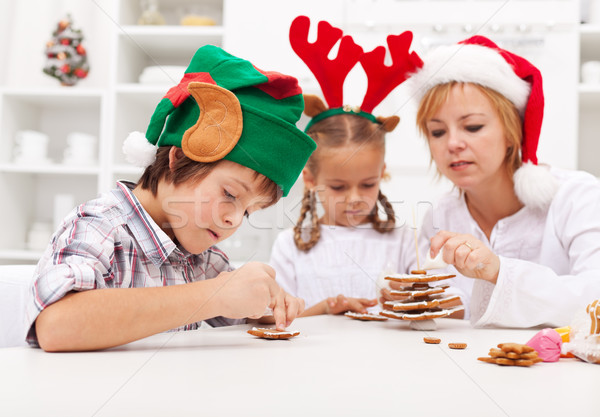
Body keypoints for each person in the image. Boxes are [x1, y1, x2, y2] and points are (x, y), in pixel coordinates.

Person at [24, 45, 317, 351]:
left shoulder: (200, 256)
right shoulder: (99, 226)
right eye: (230, 194)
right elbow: (56, 327)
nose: (233, 219)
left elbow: (240, 312)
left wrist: (272, 305)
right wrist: (217, 294)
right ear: (179, 158)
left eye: (248, 212)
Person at [382, 35, 600, 327]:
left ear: (512, 131)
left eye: (472, 126)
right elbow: (460, 303)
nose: (453, 143)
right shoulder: (440, 215)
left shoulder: (577, 197)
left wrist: (498, 270)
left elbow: (593, 299)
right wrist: (418, 301)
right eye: (437, 132)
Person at [268, 16, 420, 316]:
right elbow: (275, 319)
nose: (354, 198)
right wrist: (326, 309)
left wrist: (408, 302)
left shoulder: (402, 241)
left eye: (368, 184)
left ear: (382, 173)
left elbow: (429, 305)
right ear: (310, 179)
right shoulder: (289, 247)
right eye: (338, 187)